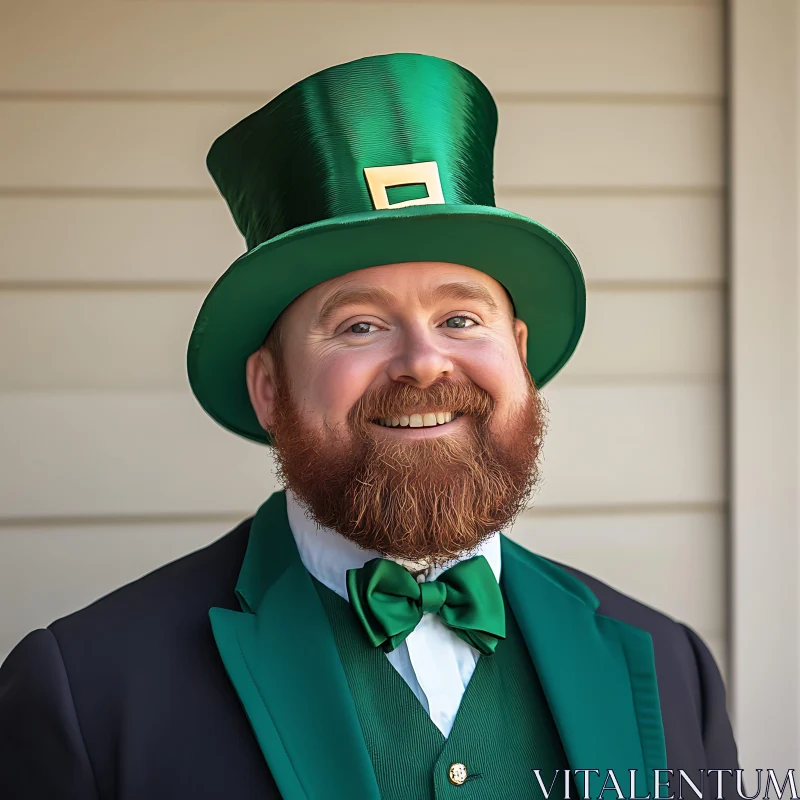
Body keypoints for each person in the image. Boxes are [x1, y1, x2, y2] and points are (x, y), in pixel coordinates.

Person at [0, 53, 738, 800]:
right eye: (358, 325)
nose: (423, 364)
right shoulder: (86, 689)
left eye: (459, 318)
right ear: (268, 387)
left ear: (517, 354)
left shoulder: (672, 666)